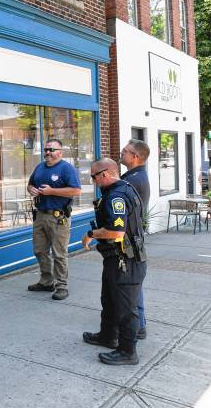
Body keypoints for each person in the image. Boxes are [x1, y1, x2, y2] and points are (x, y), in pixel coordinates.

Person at [82, 158, 147, 365]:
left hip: (125, 261)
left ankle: (128, 352)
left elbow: (116, 232)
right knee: (109, 300)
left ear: (105, 174)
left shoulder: (117, 196)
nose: (93, 181)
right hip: (115, 259)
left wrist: (91, 233)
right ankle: (108, 336)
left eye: (93, 176)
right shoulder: (121, 190)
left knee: (126, 310)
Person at [27, 139, 82, 300]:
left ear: (60, 152)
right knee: (39, 250)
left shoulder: (66, 168)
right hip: (40, 215)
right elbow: (30, 185)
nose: (48, 153)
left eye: (51, 149)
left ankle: (61, 286)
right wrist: (31, 190)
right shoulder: (40, 167)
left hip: (59, 217)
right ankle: (46, 281)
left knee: (59, 253)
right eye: (46, 149)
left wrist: (52, 191)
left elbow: (76, 191)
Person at [119, 139, 150, 339]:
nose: (122, 152)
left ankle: (138, 325)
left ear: (136, 157)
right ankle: (139, 323)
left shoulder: (133, 180)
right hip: (132, 237)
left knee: (131, 283)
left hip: (129, 238)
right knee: (132, 282)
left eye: (126, 151)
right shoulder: (134, 176)